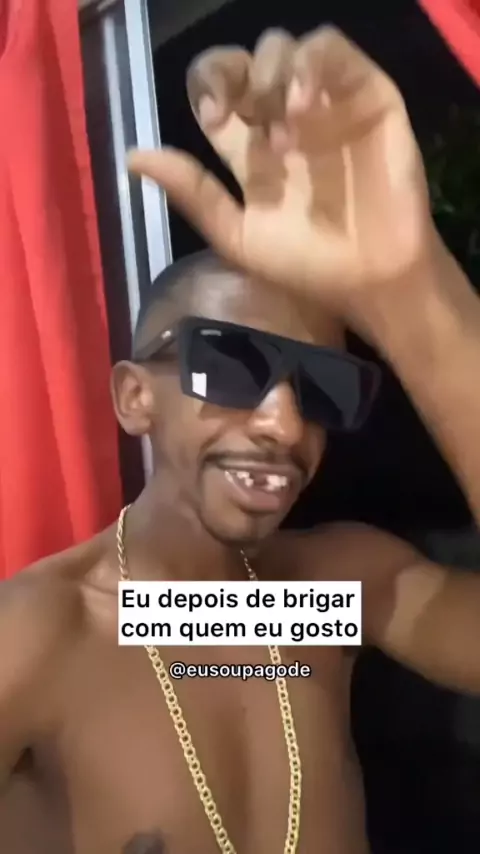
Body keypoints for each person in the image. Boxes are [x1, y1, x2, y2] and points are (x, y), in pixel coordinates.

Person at [1, 25, 480, 854]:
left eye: (321, 386)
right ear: (134, 398)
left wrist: (412, 292)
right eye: (229, 365)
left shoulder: (324, 594)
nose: (284, 425)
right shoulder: (47, 632)